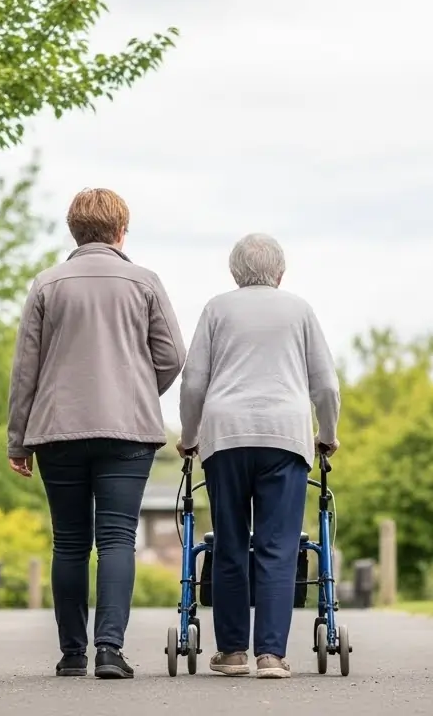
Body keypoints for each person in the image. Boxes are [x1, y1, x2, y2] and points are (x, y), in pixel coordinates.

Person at [7, 188, 187, 680]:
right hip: (127, 431)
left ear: (74, 230)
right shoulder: (144, 282)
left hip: (57, 430)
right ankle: (110, 650)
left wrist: (18, 440)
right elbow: (173, 355)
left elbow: (26, 369)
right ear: (120, 230)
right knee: (116, 539)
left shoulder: (46, 284)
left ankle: (71, 655)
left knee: (68, 543)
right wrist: (136, 388)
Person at [177, 233, 341, 680]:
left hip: (225, 436)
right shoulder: (300, 310)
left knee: (230, 543)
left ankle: (232, 653)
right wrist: (327, 435)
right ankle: (271, 655)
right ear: (280, 273)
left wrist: (189, 436)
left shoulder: (216, 308)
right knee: (278, 547)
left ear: (234, 273)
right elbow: (325, 385)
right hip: (285, 437)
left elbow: (193, 383)